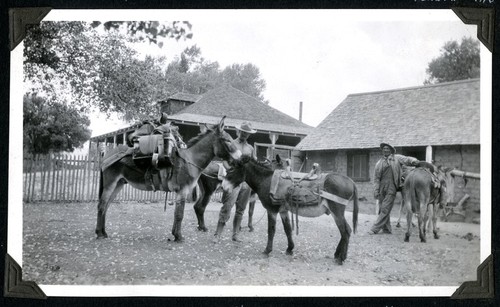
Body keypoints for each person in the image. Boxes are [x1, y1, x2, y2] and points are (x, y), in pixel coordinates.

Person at [214, 121, 257, 242]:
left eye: (247, 133)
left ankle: (235, 234)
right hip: (233, 180)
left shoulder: (250, 148)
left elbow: (253, 164)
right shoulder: (231, 144)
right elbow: (224, 160)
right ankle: (217, 234)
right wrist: (230, 170)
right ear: (239, 131)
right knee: (227, 206)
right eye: (243, 132)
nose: (245, 135)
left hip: (246, 183)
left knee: (241, 209)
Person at [370, 142, 420, 235]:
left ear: (391, 150)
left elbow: (407, 159)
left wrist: (414, 161)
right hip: (381, 187)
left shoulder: (396, 158)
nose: (385, 150)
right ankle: (387, 229)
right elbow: (376, 178)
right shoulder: (379, 163)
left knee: (385, 208)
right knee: (382, 208)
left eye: (387, 149)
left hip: (392, 186)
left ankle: (374, 229)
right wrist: (376, 190)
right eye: (384, 149)